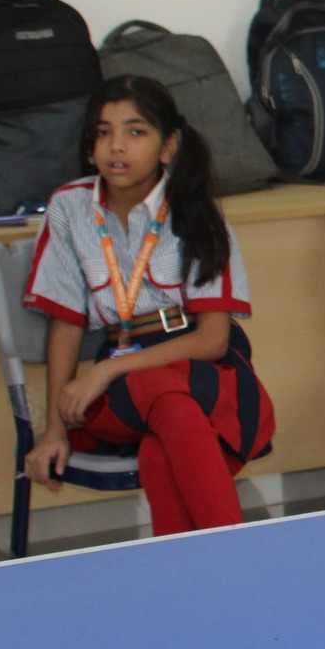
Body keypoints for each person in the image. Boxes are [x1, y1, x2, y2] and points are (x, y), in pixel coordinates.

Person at [21, 75, 274, 534]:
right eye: (103, 132)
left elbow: (213, 341)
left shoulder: (196, 210)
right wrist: (55, 429)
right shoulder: (69, 207)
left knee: (164, 440)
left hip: (200, 366)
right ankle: (236, 555)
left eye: (135, 131)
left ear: (168, 147)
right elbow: (66, 325)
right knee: (170, 404)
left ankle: (185, 568)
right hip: (123, 380)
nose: (116, 146)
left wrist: (105, 371)